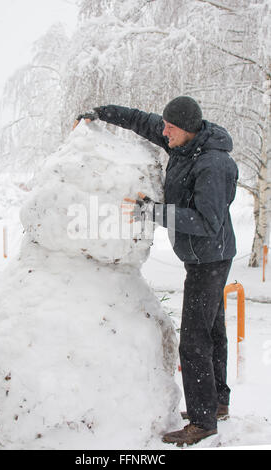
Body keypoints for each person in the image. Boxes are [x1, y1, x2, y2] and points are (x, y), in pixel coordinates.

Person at [74, 96, 239, 447]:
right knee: (212, 329)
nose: (164, 133)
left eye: (171, 128)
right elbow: (142, 120)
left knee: (195, 340)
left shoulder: (211, 165)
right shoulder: (182, 140)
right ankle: (218, 401)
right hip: (202, 256)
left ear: (189, 130)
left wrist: (154, 211)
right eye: (165, 126)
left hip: (209, 259)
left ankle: (202, 420)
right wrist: (102, 113)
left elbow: (207, 222)